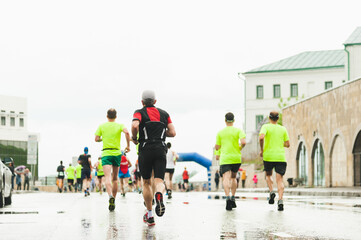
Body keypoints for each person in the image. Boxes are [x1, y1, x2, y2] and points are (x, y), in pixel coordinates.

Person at [131, 90, 176, 226]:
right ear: (155, 101)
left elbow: (134, 125)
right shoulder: (164, 114)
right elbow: (173, 132)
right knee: (159, 180)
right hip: (161, 149)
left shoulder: (139, 112)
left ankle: (150, 215)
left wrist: (134, 137)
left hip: (145, 149)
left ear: (142, 102)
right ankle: (159, 194)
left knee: (145, 182)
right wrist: (161, 133)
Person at [95, 108, 130, 211]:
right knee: (115, 179)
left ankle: (110, 196)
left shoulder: (102, 126)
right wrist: (128, 145)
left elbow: (96, 139)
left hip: (106, 153)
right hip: (116, 153)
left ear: (107, 116)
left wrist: (102, 139)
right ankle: (113, 198)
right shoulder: (120, 125)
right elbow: (127, 133)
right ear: (116, 116)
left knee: (107, 178)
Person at [259, 111, 290, 211]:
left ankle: (272, 191)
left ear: (269, 118)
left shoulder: (266, 127)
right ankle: (280, 200)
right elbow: (288, 144)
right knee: (279, 179)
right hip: (280, 157)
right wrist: (281, 144)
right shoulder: (283, 129)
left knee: (268, 175)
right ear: (278, 118)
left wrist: (261, 149)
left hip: (268, 156)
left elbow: (261, 137)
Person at [215, 112, 246, 211]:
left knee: (226, 178)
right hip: (236, 158)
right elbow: (244, 142)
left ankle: (227, 197)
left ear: (225, 120)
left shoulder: (220, 133)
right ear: (234, 120)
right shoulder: (238, 131)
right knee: (233, 178)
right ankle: (233, 197)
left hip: (225, 159)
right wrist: (240, 147)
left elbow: (217, 146)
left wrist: (218, 152)